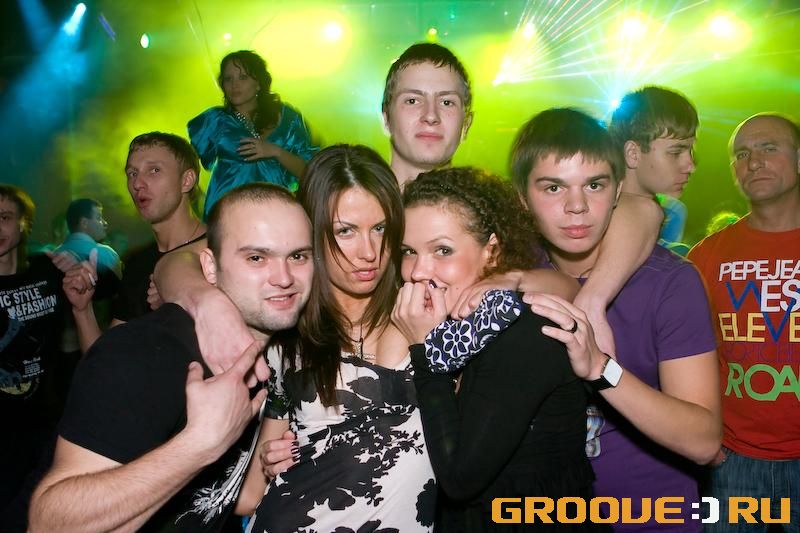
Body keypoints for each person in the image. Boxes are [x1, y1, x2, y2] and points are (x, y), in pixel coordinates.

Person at [28, 182, 313, 532]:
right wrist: (199, 444)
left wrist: (273, 468)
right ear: (210, 268)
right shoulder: (144, 353)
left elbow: (229, 499)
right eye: (256, 258)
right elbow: (48, 523)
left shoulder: (272, 356)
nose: (284, 278)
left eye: (298, 256)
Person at [512, 108, 721, 531]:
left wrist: (602, 369)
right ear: (522, 197)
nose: (577, 206)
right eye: (553, 187)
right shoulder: (511, 272)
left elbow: (704, 441)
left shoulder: (669, 282)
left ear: (618, 189)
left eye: (595, 185)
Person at [240, 144, 435, 531]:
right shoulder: (285, 336)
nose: (369, 252)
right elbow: (248, 496)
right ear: (313, 232)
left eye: (380, 228)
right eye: (345, 231)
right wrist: (266, 461)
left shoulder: (428, 311)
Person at [393, 167, 595, 532]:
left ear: (491, 250)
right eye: (408, 251)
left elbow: (460, 478)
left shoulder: (523, 333)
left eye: (442, 250)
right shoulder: (455, 329)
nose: (419, 271)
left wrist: (423, 351)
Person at [688, 113, 800, 530]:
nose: (753, 162)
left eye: (769, 148)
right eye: (742, 154)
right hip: (733, 460)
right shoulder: (704, 257)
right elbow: (687, 358)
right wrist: (703, 438)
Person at [63, 132, 207, 354]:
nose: (137, 183)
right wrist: (83, 310)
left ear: (186, 180)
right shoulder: (137, 264)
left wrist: (176, 312)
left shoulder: (220, 249)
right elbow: (108, 360)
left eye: (154, 170)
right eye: (132, 173)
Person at [0, 185, 66, 532]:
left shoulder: (47, 269)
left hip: (48, 420)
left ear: (24, 223)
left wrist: (77, 266)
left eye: (5, 217)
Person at [189, 50, 319, 218]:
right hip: (227, 214)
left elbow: (309, 173)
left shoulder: (287, 118)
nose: (234, 85)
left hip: (276, 211)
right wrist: (198, 203)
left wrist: (276, 151)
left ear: (259, 82)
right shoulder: (215, 120)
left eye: (243, 77)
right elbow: (186, 167)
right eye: (228, 79)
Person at [382, 42, 473, 187]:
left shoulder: (492, 202)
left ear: (466, 124)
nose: (431, 116)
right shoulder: (350, 199)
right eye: (412, 101)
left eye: (447, 102)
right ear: (386, 118)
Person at [56, 197, 121, 279]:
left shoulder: (54, 255)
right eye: (99, 218)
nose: (105, 223)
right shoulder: (106, 254)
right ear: (84, 223)